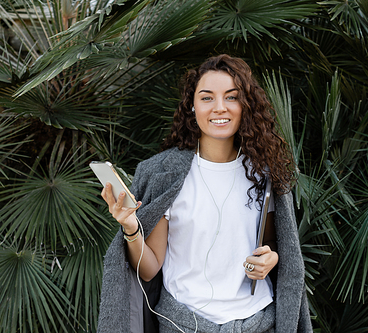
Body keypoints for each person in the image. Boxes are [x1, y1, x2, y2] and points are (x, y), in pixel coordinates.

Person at [97, 54, 313, 333]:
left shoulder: (264, 171)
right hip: (183, 325)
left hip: (257, 323)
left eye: (231, 97)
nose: (219, 108)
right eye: (207, 98)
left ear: (246, 106)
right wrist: (130, 228)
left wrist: (271, 258)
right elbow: (149, 269)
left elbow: (271, 242)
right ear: (192, 107)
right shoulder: (164, 174)